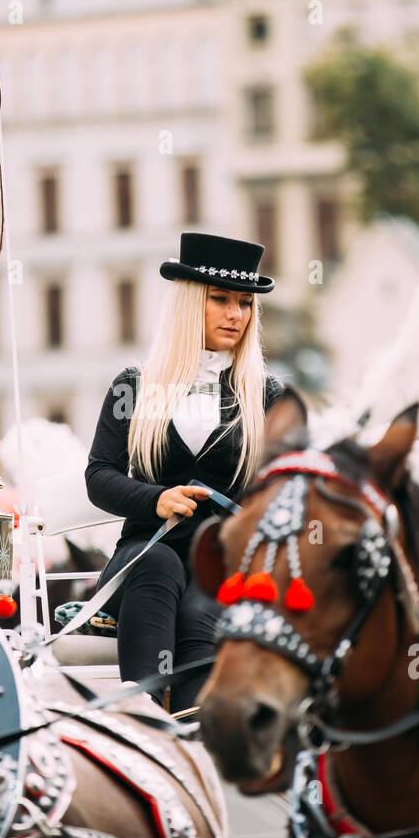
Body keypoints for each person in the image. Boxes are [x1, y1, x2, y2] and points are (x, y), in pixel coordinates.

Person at [85, 232, 285, 712]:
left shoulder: (267, 394)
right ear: (189, 303)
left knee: (205, 591)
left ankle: (193, 728)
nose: (235, 314)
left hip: (224, 562)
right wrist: (155, 499)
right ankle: (145, 716)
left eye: (244, 303)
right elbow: (99, 475)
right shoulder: (134, 386)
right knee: (159, 565)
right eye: (219, 299)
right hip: (147, 554)